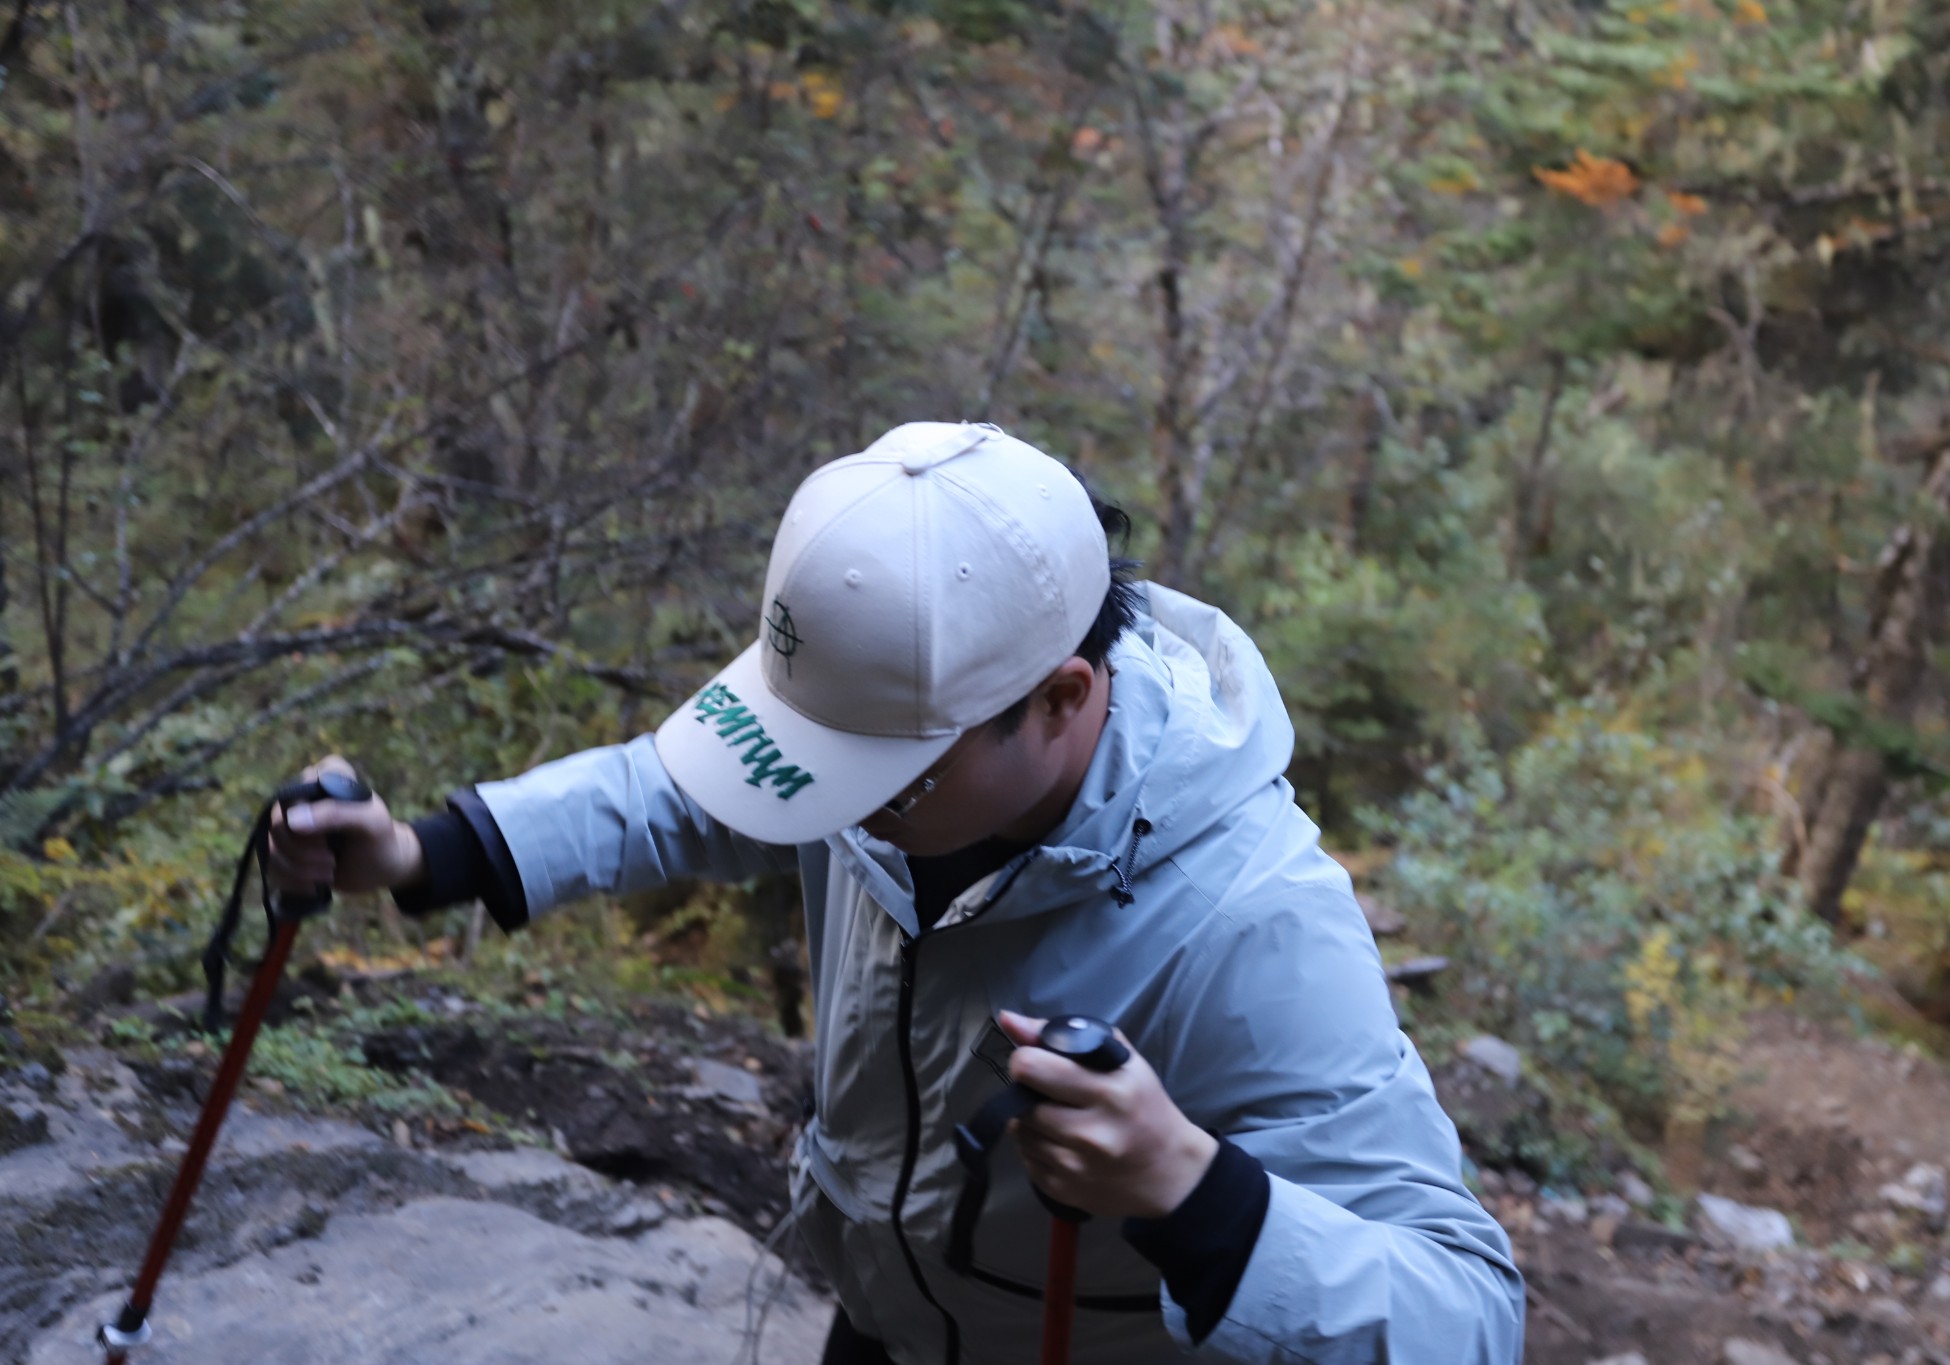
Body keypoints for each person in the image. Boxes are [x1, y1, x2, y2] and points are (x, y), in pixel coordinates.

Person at [271, 421, 1523, 1364]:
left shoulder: (1249, 918)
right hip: (878, 1326)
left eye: (883, 777)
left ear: (1062, 700)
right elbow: (693, 791)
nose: (836, 802)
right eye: (820, 762)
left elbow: (1467, 1312)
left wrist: (1191, 1189)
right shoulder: (882, 676)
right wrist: (423, 853)